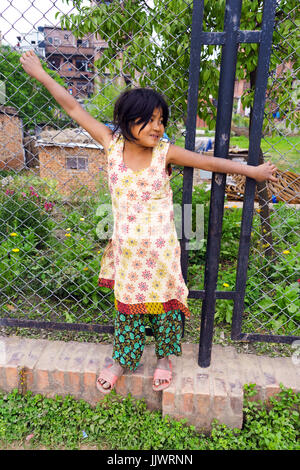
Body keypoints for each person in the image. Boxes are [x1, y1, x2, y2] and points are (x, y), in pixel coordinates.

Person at [20, 50, 278, 394]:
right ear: (127, 121)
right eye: (149, 120)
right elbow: (73, 107)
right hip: (127, 251)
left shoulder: (165, 153)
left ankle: (165, 358)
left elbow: (209, 162)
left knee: (166, 307)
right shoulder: (110, 144)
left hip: (161, 251)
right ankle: (121, 359)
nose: (158, 127)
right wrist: (41, 74)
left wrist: (252, 171)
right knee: (127, 308)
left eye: (161, 120)